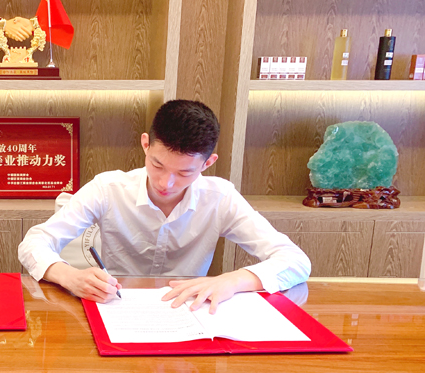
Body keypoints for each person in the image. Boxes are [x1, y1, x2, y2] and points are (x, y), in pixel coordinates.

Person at [18, 99, 310, 313]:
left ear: (208, 163)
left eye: (184, 172)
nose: (165, 183)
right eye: (157, 164)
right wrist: (70, 276)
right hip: (117, 308)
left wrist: (233, 281)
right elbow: (34, 243)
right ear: (145, 144)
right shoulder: (108, 189)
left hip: (190, 311)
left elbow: (296, 261)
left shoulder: (220, 198)